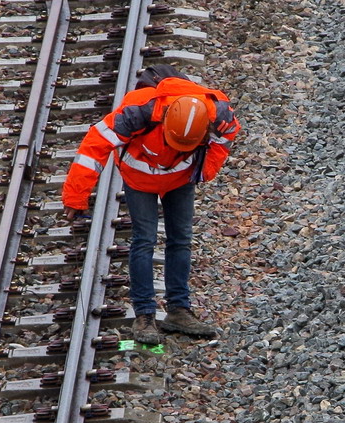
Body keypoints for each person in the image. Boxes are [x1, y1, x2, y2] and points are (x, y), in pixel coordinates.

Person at [61, 65, 240, 344]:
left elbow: (227, 136)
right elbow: (93, 147)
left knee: (181, 240)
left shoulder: (218, 112)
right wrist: (76, 196)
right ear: (165, 119)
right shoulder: (138, 111)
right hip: (140, 180)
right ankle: (144, 315)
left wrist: (206, 171)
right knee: (144, 240)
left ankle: (178, 310)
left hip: (180, 178)